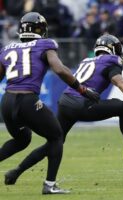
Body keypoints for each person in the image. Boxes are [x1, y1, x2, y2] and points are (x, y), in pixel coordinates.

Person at [5, 34, 123, 185]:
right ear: (112, 49)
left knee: (54, 142)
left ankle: (16, 171)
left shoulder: (87, 60)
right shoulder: (111, 61)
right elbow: (119, 82)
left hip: (65, 102)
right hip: (82, 103)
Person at [0, 12, 99, 194]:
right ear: (40, 29)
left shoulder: (7, 48)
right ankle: (50, 185)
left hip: (7, 101)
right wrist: (82, 89)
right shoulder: (46, 44)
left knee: (22, 139)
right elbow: (60, 69)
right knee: (56, 137)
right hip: (27, 100)